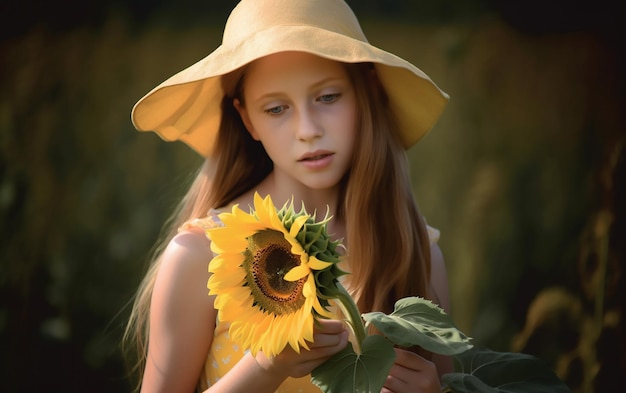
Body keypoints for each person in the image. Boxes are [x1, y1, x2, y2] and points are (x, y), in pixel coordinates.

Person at [124, 0, 452, 392]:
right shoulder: (201, 256)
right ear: (248, 120)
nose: (308, 129)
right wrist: (264, 367)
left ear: (367, 92)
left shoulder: (415, 250)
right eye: (277, 108)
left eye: (328, 97)